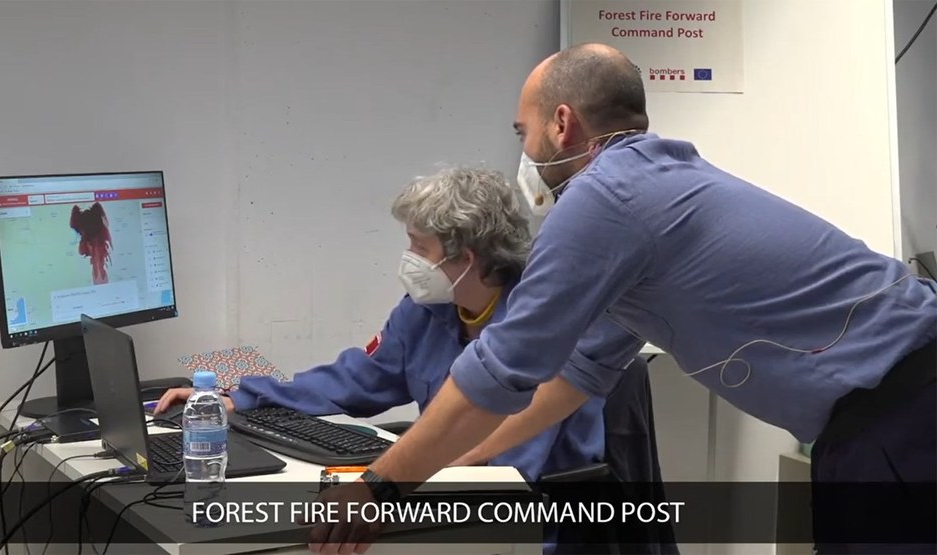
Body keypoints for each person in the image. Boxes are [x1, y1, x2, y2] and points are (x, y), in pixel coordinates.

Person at [308, 43, 937, 555]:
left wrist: (378, 487)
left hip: (903, 410)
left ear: (562, 124)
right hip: (889, 408)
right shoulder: (651, 187)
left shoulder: (605, 199)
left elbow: (501, 370)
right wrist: (470, 455)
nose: (524, 152)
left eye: (524, 132)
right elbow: (579, 373)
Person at [155, 166, 616, 484]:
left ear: (465, 257)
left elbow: (503, 466)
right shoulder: (427, 310)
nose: (409, 259)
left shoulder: (539, 323)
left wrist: (390, 480)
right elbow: (358, 378)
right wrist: (239, 398)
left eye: (419, 246)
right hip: (445, 483)